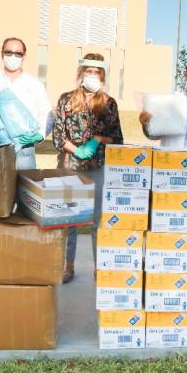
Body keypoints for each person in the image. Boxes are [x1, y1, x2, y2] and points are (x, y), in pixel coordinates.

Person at [53, 53, 123, 283]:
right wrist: (76, 149)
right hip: (70, 166)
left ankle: (98, 267)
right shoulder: (65, 100)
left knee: (96, 221)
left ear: (102, 76)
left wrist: (98, 140)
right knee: (70, 219)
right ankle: (68, 266)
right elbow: (58, 136)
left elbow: (117, 138)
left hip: (97, 168)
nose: (92, 76)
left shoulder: (109, 103)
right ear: (81, 73)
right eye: (88, 71)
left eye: (97, 72)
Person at [0, 37, 50, 170]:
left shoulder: (35, 84)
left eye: (18, 53)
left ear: (24, 56)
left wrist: (40, 135)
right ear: (2, 53)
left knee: (24, 189)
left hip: (24, 150)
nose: (13, 56)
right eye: (9, 52)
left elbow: (46, 114)